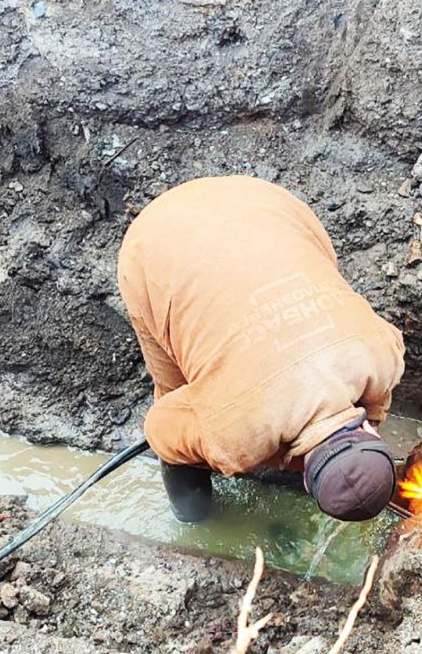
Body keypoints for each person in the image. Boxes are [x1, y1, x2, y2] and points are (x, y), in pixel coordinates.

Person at [117, 175, 405, 523]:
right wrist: (221, 449)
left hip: (263, 202)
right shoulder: (232, 437)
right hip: (155, 248)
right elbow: (158, 428)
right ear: (303, 478)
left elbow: (374, 404)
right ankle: (191, 514)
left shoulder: (383, 357)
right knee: (174, 396)